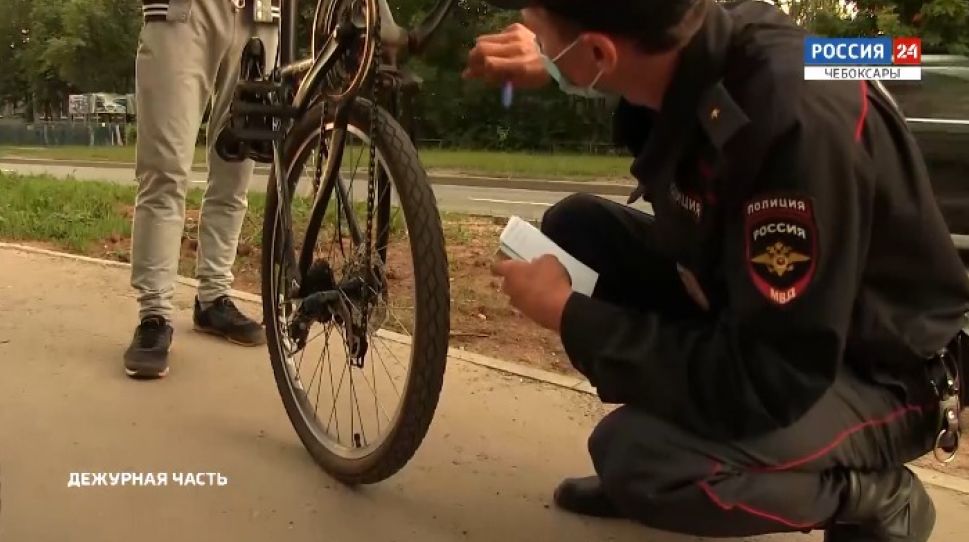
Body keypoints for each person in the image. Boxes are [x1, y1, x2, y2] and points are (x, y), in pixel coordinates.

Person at [467, 0, 969, 540]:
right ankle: (686, 438)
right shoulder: (706, 34)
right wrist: (560, 68)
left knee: (642, 461)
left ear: (598, 51)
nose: (532, 44)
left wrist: (567, 313)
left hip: (879, 367)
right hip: (756, 305)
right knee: (577, 231)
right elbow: (875, 56)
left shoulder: (792, 126)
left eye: (540, 34)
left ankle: (874, 497)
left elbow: (770, 379)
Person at [124, 0, 281, 378]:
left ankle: (213, 298)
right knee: (164, 169)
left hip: (259, 14)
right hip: (184, 11)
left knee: (237, 166)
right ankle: (154, 314)